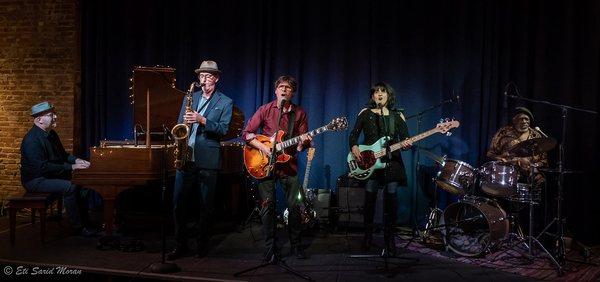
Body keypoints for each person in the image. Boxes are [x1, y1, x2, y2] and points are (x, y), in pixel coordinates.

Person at [168, 60, 233, 260]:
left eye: (208, 76)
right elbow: (179, 124)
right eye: (201, 76)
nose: (204, 79)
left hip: (208, 159)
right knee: (178, 203)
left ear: (216, 78)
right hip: (186, 157)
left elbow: (223, 129)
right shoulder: (191, 97)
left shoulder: (225, 101)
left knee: (206, 206)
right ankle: (181, 245)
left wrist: (202, 120)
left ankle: (201, 245)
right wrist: (181, 131)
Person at [242, 75, 312, 261]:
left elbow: (302, 141)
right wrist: (265, 148)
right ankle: (270, 247)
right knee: (268, 207)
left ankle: (296, 245)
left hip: (289, 166)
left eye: (288, 88)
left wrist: (302, 144)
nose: (284, 90)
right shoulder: (265, 109)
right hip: (264, 164)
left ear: (293, 92)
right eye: (281, 86)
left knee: (295, 206)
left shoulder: (300, 113)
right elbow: (247, 134)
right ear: (276, 90)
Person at [348, 82, 412, 254]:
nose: (379, 94)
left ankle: (390, 239)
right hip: (370, 162)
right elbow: (353, 134)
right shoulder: (365, 113)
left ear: (389, 96)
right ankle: (367, 236)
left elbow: (405, 138)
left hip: (392, 162)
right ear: (372, 96)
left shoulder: (397, 116)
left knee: (391, 201)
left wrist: (406, 144)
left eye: (383, 91)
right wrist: (354, 146)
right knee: (369, 199)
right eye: (376, 92)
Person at [20, 101, 94, 236]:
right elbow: (42, 167)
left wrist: (76, 160)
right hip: (36, 180)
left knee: (84, 184)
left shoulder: (52, 134)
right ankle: (77, 228)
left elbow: (63, 155)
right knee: (70, 187)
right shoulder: (32, 140)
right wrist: (71, 167)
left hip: (48, 175)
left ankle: (85, 221)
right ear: (39, 120)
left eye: (54, 114)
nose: (55, 117)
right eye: (50, 115)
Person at [486, 106, 548, 186]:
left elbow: (544, 161)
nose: (524, 121)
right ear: (514, 121)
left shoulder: (536, 136)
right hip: (506, 175)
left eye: (527, 119)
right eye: (521, 119)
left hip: (531, 177)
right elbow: (490, 154)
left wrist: (534, 166)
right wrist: (507, 160)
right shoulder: (503, 133)